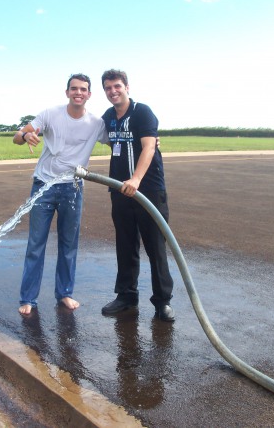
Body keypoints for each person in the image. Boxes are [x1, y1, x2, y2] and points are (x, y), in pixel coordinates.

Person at [13, 73, 108, 315]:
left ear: (89, 94)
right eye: (74, 88)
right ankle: (28, 298)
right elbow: (17, 137)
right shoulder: (50, 114)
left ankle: (65, 293)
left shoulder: (96, 123)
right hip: (44, 185)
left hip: (73, 189)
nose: (78, 92)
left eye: (83, 89)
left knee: (69, 244)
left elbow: (118, 141)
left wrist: (151, 140)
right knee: (36, 244)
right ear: (67, 92)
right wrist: (25, 135)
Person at [100, 69, 175, 322]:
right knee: (125, 244)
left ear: (127, 87)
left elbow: (149, 147)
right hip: (120, 191)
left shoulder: (142, 112)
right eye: (108, 88)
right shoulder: (108, 117)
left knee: (155, 247)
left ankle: (162, 302)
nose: (113, 91)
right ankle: (126, 296)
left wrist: (136, 180)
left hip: (149, 190)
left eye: (117, 86)